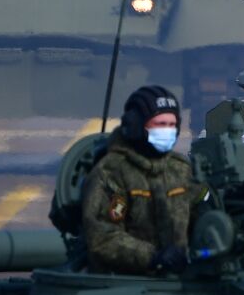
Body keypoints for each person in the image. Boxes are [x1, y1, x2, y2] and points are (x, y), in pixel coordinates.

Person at [81, 85, 204, 275]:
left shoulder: (180, 168)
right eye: (160, 124)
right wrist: (154, 257)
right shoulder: (112, 172)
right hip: (126, 286)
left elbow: (200, 206)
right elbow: (103, 236)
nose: (168, 131)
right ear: (137, 126)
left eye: (172, 125)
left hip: (178, 281)